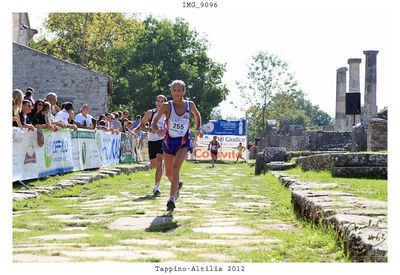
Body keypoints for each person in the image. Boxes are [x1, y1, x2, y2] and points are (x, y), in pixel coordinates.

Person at [151, 80, 203, 211]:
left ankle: (171, 199)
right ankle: (177, 185)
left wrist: (198, 128)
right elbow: (154, 122)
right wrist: (157, 130)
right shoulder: (166, 106)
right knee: (169, 174)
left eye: (179, 90)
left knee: (175, 168)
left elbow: (197, 115)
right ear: (171, 92)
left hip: (183, 142)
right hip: (169, 141)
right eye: (174, 90)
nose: (176, 93)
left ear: (184, 92)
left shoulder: (189, 105)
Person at [139, 95, 167, 196]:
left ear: (164, 103)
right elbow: (142, 125)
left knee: (159, 161)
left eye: (162, 101)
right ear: (156, 102)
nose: (160, 103)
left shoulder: (167, 113)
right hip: (151, 140)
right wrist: (150, 130)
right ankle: (161, 166)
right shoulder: (150, 113)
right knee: (154, 165)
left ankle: (156, 187)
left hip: (162, 139)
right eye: (158, 101)